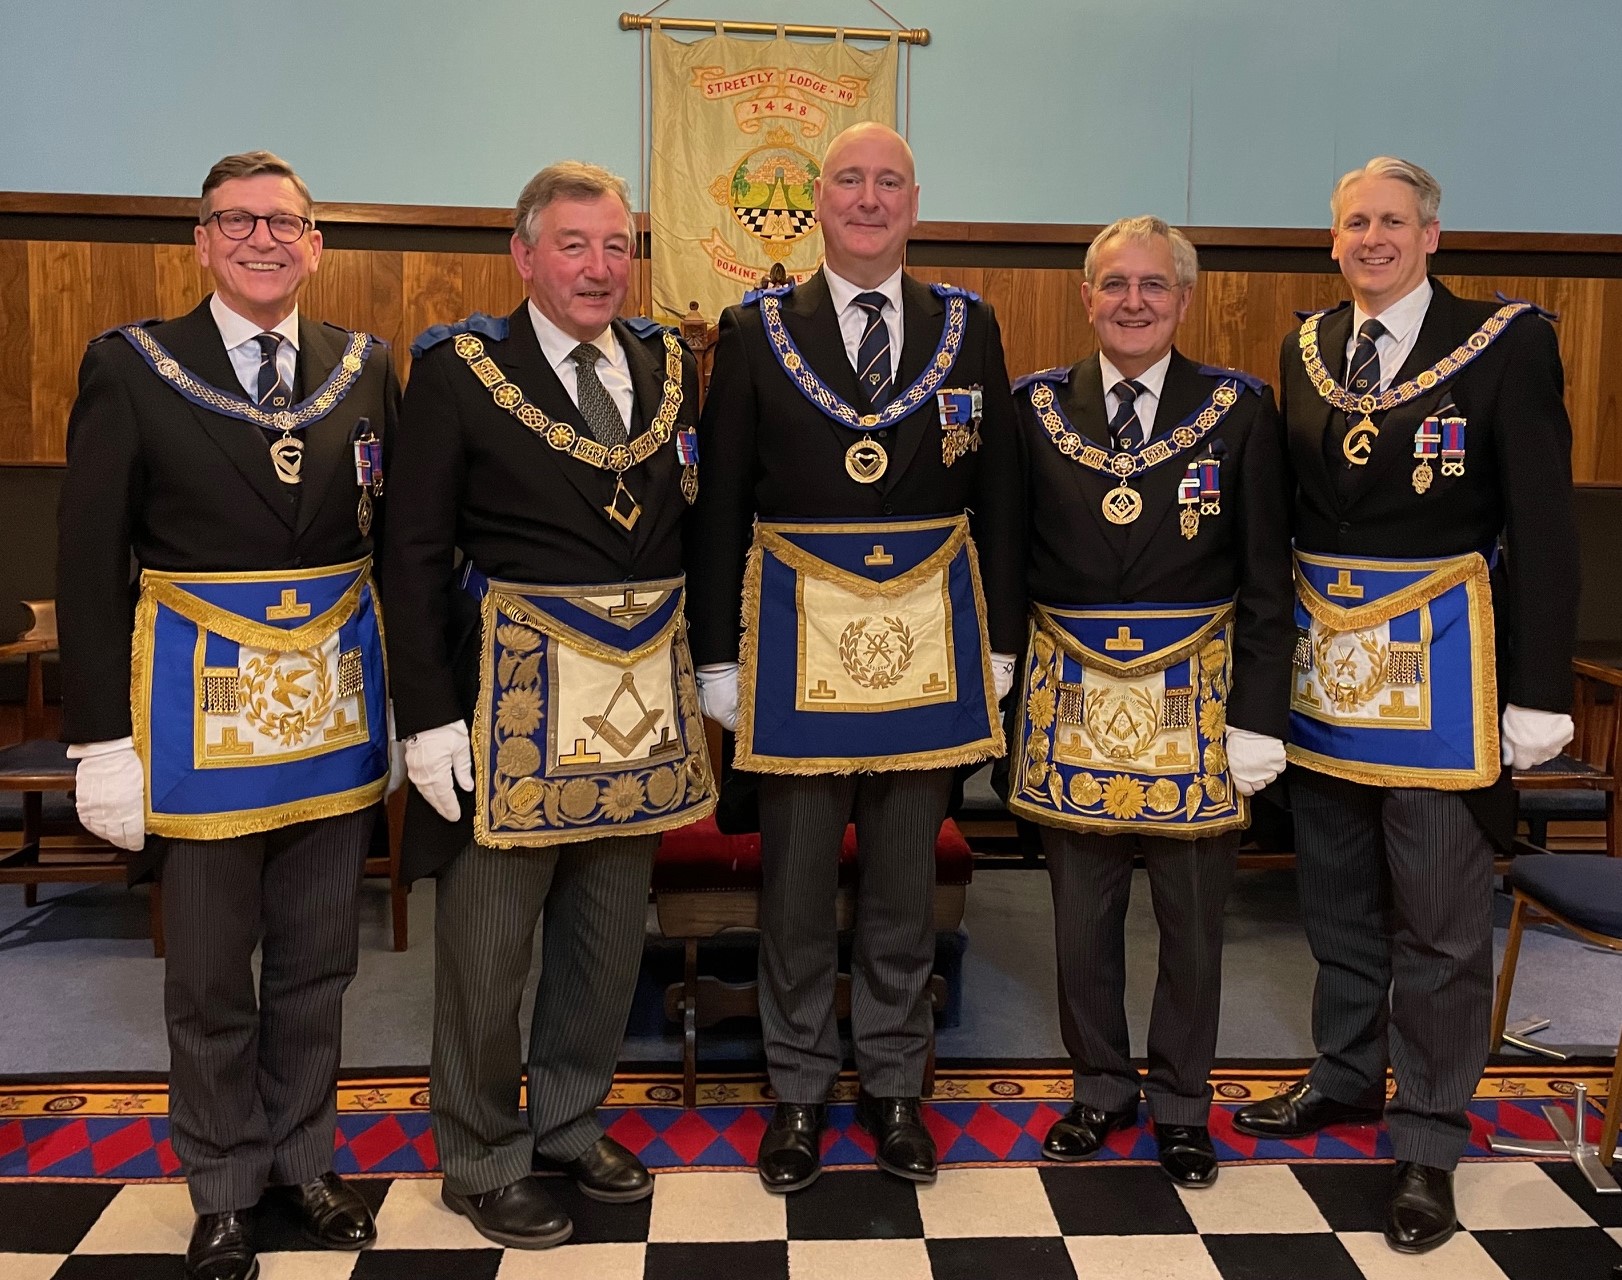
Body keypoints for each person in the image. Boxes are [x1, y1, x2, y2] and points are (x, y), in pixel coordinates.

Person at [57, 150, 400, 1280]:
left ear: (316, 244)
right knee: (208, 975)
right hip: (197, 726)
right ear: (199, 240)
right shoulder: (135, 365)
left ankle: (304, 1159)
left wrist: (405, 707)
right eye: (237, 220)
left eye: (286, 222)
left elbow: (389, 546)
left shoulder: (362, 367)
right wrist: (102, 739)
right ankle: (223, 1183)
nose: (263, 239)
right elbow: (91, 557)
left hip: (335, 716)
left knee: (317, 962)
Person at [1233, 157, 1579, 1253]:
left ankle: (1427, 1133)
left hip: (1442, 677)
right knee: (1334, 901)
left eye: (1390, 221)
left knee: (1434, 921)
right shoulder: (1301, 347)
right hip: (1325, 676)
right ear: (1329, 241)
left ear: (1431, 234)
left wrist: (1536, 690)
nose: (1370, 238)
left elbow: (1543, 525)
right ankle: (1342, 1074)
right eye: (1352, 223)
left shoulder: (1505, 341)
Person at [382, 161, 714, 1249]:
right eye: (573, 244)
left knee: (606, 931)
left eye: (616, 246)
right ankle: (479, 1150)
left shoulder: (667, 364)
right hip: (505, 703)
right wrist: (426, 716)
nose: (598, 266)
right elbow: (416, 550)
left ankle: (569, 1117)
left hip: (635, 694)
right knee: (488, 943)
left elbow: (691, 526)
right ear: (524, 256)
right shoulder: (459, 371)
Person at [687, 121, 1023, 1193]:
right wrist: (717, 657)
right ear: (816, 203)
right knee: (790, 883)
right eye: (848, 181)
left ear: (913, 204)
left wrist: (1001, 638)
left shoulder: (967, 326)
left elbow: (1001, 497)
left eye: (888, 183)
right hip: (790, 655)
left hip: (928, 651)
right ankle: (794, 1088)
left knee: (898, 877)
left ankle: (890, 1084)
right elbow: (721, 503)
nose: (868, 199)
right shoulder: (754, 329)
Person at [1007, 215, 1292, 1187]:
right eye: (1114, 284)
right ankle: (1097, 1086)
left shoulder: (1238, 410)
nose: (1132, 301)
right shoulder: (1033, 408)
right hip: (1067, 696)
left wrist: (1259, 713)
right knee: (1078, 918)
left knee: (1192, 922)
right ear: (1084, 297)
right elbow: (1006, 556)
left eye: (1153, 285)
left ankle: (1180, 1101)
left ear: (1183, 298)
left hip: (1195, 701)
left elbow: (1264, 576)